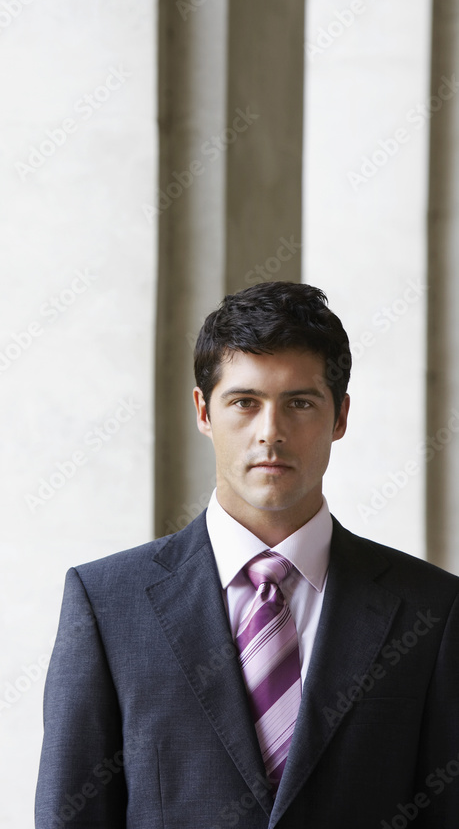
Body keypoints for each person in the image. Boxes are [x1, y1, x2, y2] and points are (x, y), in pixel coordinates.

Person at [34, 281, 459, 828]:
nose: (271, 433)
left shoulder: (431, 609)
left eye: (299, 403)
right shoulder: (107, 604)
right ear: (204, 411)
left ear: (340, 417)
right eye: (244, 402)